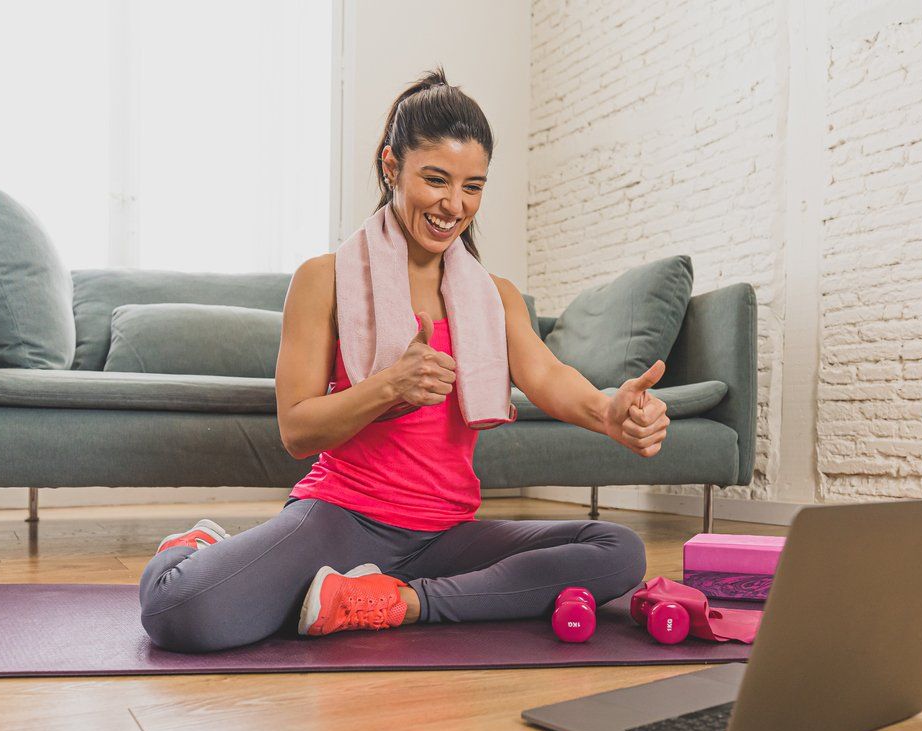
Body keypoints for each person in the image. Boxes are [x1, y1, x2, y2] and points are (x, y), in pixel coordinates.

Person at [139, 67, 670, 653]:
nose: (453, 205)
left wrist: (608, 410)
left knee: (619, 551)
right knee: (178, 610)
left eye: (473, 186)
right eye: (436, 180)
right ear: (391, 166)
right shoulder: (325, 280)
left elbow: (546, 376)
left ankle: (395, 601)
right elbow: (296, 429)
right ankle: (202, 549)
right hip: (342, 516)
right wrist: (390, 386)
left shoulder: (494, 296)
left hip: (445, 535)